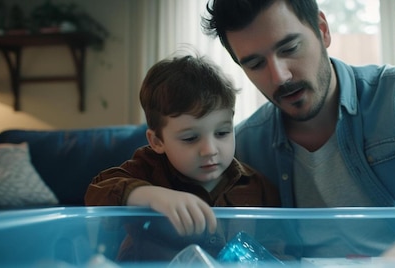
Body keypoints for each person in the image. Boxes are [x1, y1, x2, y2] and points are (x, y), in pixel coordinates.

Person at [202, 0, 395, 259]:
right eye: (255, 64)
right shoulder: (245, 144)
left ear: (323, 31)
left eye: (289, 48)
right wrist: (155, 196)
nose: (280, 76)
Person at [84, 53, 281, 261]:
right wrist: (149, 195)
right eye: (190, 138)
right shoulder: (149, 169)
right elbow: (97, 192)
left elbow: (279, 250)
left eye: (222, 133)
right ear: (157, 141)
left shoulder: (257, 187)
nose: (210, 150)